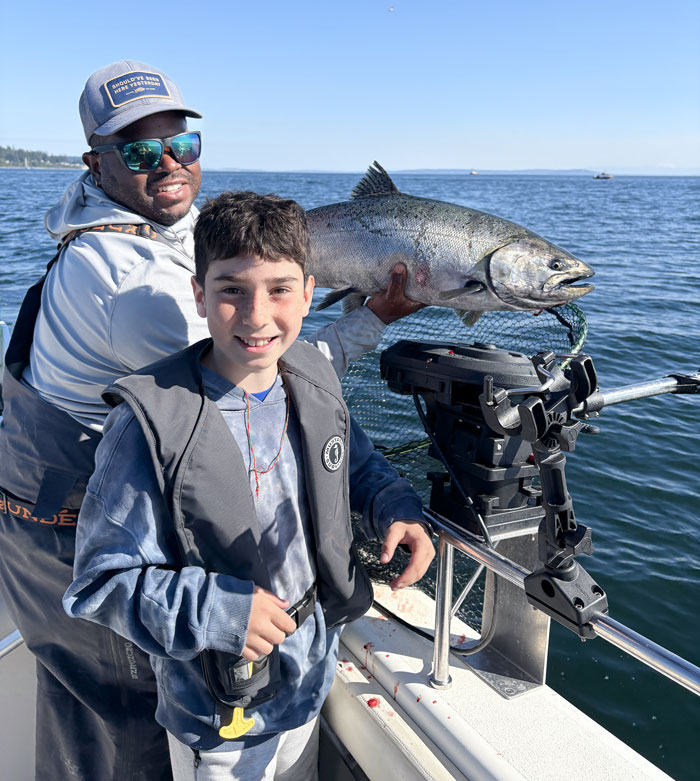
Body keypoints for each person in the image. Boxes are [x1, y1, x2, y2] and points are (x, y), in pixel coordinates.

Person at [0, 60, 422, 781]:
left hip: (41, 483)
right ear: (94, 161)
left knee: (83, 709)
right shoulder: (133, 292)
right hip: (73, 515)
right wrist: (370, 318)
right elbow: (266, 369)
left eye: (182, 144)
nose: (168, 163)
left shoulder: (126, 218)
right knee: (120, 722)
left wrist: (385, 494)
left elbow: (291, 399)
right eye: (139, 151)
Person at [63, 191, 435, 780]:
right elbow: (100, 585)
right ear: (199, 295)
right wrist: (221, 611)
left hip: (311, 677)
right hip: (218, 715)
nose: (258, 314)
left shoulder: (311, 377)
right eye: (232, 289)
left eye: (280, 289)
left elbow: (355, 463)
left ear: (310, 293)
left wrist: (395, 507)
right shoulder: (148, 423)